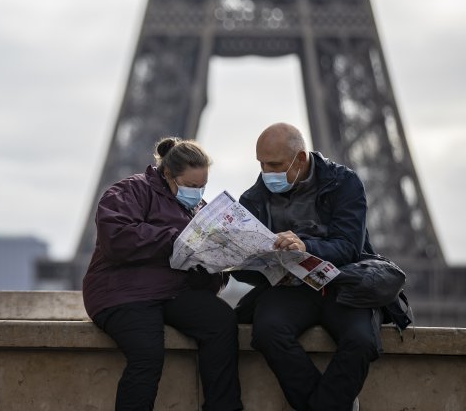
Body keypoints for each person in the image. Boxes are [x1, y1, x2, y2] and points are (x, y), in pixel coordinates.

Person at [82, 137, 243, 411]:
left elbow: (206, 278)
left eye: (202, 186)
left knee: (222, 322)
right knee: (147, 353)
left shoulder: (200, 210)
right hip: (124, 292)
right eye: (192, 186)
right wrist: (177, 238)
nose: (198, 192)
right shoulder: (130, 190)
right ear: (168, 174)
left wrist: (218, 264)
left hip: (172, 292)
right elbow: (117, 237)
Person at [234, 122, 379, 411]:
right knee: (266, 333)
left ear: (300, 159)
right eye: (262, 164)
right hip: (289, 288)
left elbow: (350, 247)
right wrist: (234, 258)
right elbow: (246, 272)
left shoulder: (344, 183)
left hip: (339, 284)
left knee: (362, 342)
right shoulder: (252, 199)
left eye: (275, 164)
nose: (267, 173)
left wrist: (305, 247)